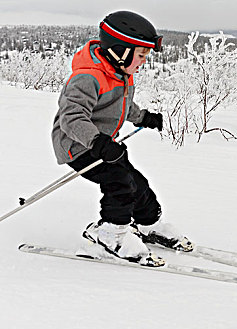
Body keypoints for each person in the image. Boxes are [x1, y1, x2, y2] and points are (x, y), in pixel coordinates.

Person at [51, 10, 192, 267]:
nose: (143, 62)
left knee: (136, 182)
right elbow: (71, 118)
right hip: (78, 145)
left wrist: (143, 117)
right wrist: (97, 141)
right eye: (140, 55)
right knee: (119, 182)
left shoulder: (119, 74)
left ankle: (149, 224)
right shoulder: (88, 77)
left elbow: (122, 105)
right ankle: (110, 235)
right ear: (120, 51)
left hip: (103, 144)